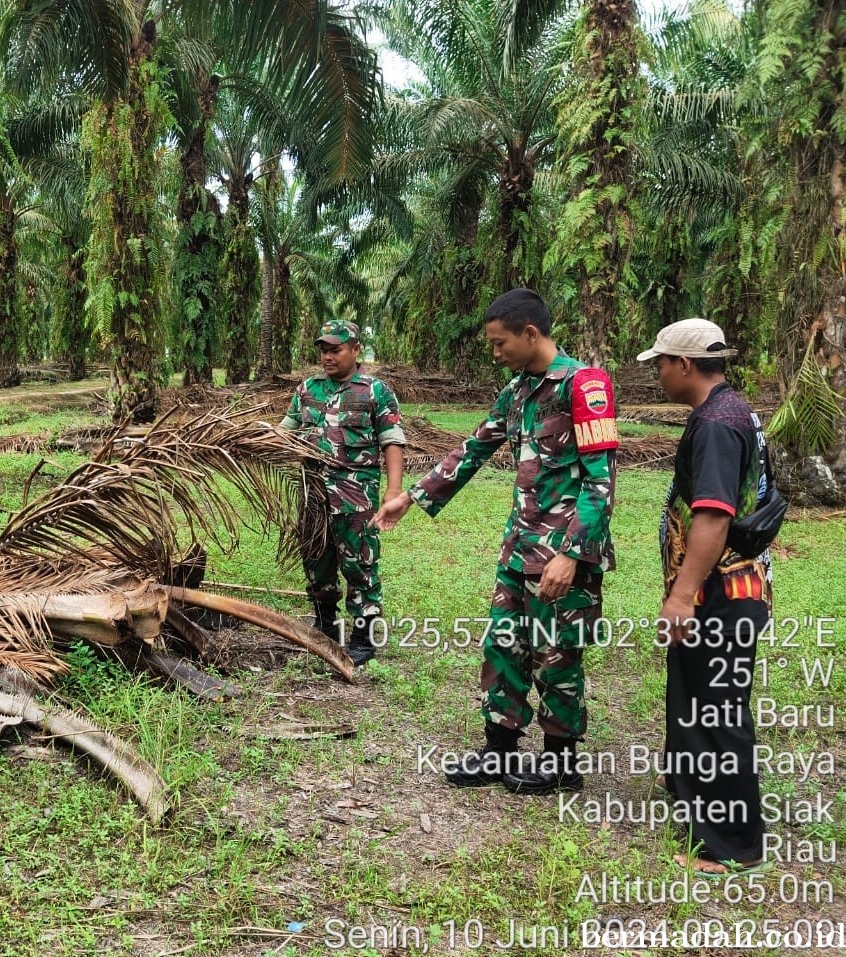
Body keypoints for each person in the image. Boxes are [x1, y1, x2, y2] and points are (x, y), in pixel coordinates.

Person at [373, 289, 618, 793]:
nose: (495, 352)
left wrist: (571, 555)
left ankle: (560, 761)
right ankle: (499, 750)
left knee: (557, 654)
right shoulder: (518, 390)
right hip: (519, 546)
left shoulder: (585, 386)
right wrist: (412, 497)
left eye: (500, 342)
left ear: (531, 334)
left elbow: (601, 482)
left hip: (562, 551)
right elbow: (475, 446)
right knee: (503, 646)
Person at [638, 318, 769, 875]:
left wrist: (683, 595)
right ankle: (689, 784)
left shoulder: (716, 424)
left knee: (716, 709)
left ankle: (732, 847)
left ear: (685, 365)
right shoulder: (736, 410)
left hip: (720, 589)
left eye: (661, 363)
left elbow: (713, 517)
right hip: (733, 586)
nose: (658, 373)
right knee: (693, 692)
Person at [279, 319, 406, 666]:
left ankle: (363, 635)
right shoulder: (308, 389)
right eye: (323, 350)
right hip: (312, 493)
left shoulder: (374, 391)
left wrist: (394, 491)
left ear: (355, 350)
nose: (327, 357)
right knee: (316, 560)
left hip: (356, 496)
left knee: (359, 562)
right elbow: (285, 431)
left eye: (335, 350)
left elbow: (392, 442)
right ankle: (325, 625)